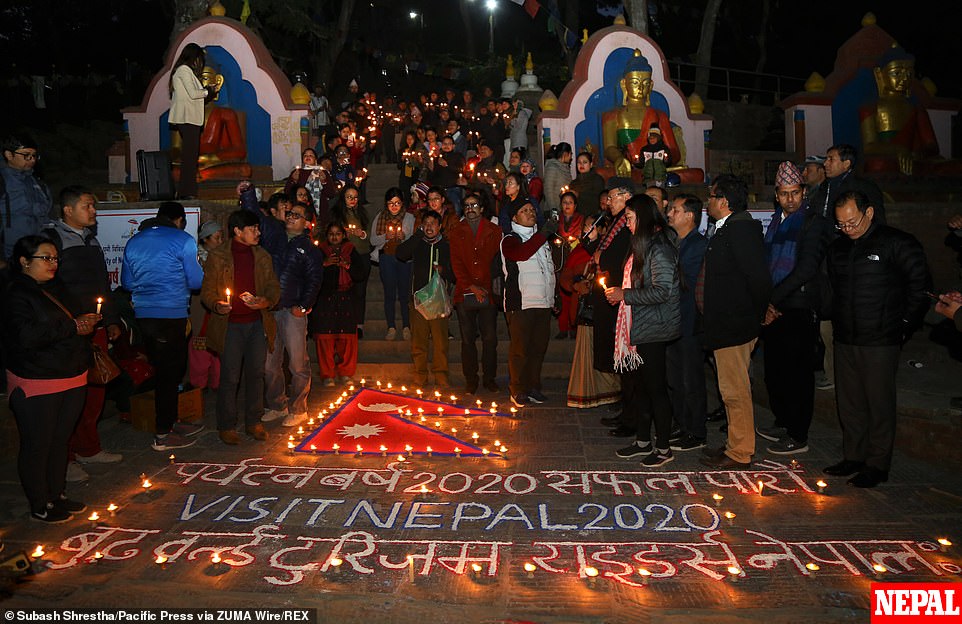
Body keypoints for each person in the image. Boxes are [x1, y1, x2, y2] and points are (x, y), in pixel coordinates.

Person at [823, 191, 930, 488]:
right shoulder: (838, 248)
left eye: (852, 222)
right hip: (846, 337)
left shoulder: (898, 242)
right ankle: (853, 456)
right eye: (841, 225)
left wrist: (904, 326)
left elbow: (919, 288)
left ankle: (877, 464)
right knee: (850, 403)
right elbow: (832, 290)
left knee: (879, 403)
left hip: (881, 339)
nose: (848, 229)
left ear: (869, 212)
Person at [2, 235, 98, 523]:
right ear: (24, 261)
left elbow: (71, 320)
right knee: (38, 443)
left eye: (56, 258)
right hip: (37, 378)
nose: (53, 263)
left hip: (71, 374)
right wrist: (72, 327)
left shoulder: (58, 287)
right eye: (46, 258)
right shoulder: (15, 293)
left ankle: (57, 494)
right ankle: (39, 502)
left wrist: (85, 321)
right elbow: (26, 336)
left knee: (60, 440)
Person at [42, 186, 123, 481]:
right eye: (88, 206)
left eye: (93, 206)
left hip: (96, 324)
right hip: (70, 328)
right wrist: (71, 320)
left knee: (95, 388)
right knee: (69, 396)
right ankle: (66, 459)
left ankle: (89, 448)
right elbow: (49, 288)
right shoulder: (51, 241)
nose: (93, 211)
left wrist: (111, 319)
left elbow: (102, 283)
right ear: (67, 210)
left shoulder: (91, 240)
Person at [755, 162, 832, 456]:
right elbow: (766, 262)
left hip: (798, 305)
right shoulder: (775, 222)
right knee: (775, 372)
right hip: (774, 305)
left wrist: (772, 300)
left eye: (795, 193)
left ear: (804, 192)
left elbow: (806, 269)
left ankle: (798, 434)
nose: (790, 199)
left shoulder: (813, 223)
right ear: (777, 195)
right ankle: (783, 421)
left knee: (798, 373)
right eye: (785, 194)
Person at [698, 174, 772, 470]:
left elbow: (759, 279)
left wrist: (754, 316)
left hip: (734, 324)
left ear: (724, 201)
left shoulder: (740, 231)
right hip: (725, 323)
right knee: (729, 389)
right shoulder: (727, 229)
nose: (708, 202)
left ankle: (741, 451)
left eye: (712, 197)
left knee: (735, 391)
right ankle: (734, 443)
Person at [120, 201, 205, 451]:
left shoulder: (134, 242)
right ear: (178, 220)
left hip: (145, 316)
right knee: (171, 372)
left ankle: (169, 420)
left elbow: (126, 282)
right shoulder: (183, 240)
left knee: (164, 371)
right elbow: (196, 280)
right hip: (171, 314)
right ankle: (162, 434)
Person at [605, 194, 680, 467]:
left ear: (643, 217)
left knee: (656, 389)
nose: (626, 224)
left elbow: (662, 291)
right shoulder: (643, 245)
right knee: (643, 388)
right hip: (640, 325)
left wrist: (624, 295)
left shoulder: (659, 248)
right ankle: (643, 440)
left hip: (655, 326)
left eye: (629, 218)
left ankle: (663, 448)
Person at [201, 210, 280, 445]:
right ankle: (226, 425)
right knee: (230, 377)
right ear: (237, 231)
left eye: (258, 228)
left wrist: (265, 301)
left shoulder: (262, 256)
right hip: (230, 326)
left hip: (256, 323)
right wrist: (217, 304)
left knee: (256, 374)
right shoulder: (218, 257)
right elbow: (207, 292)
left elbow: (274, 288)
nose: (258, 232)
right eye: (252, 228)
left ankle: (254, 422)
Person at [261, 201, 323, 428]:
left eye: (296, 215)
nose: (290, 217)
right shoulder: (276, 239)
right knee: (269, 364)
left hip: (292, 311)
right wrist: (247, 194)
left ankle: (298, 408)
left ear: (307, 223)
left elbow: (314, 281)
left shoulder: (309, 249)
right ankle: (277, 404)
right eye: (289, 213)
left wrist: (304, 306)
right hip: (271, 309)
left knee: (297, 364)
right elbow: (260, 220)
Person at [588, 179, 635, 435]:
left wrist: (601, 256)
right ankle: (625, 409)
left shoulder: (626, 225)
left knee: (626, 359)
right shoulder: (615, 222)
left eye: (613, 196)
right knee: (618, 358)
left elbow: (617, 256)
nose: (608, 201)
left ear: (626, 197)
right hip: (611, 295)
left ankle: (631, 415)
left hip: (622, 296)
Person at [664, 193, 709, 452]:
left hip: (690, 321)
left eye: (675, 210)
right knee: (675, 377)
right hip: (673, 321)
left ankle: (696, 430)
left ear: (690, 216)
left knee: (691, 379)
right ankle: (681, 423)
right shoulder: (675, 242)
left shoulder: (697, 245)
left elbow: (684, 282)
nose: (670, 213)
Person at [501, 202, 557, 407]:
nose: (530, 213)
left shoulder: (541, 239)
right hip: (521, 303)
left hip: (542, 302)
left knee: (537, 348)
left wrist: (553, 297)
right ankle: (517, 389)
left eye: (532, 210)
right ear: (515, 218)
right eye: (524, 211)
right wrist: (543, 235)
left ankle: (533, 387)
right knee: (520, 350)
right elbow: (521, 254)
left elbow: (548, 270)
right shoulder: (510, 239)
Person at [563, 215, 622, 408]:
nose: (588, 230)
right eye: (585, 227)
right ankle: (586, 392)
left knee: (603, 349)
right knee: (586, 352)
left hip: (603, 308)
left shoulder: (607, 252)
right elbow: (565, 276)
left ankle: (609, 393)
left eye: (593, 227)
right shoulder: (579, 251)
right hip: (585, 309)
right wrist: (576, 284)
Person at [449, 192, 502, 394]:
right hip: (465, 291)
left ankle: (489, 377)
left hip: (487, 290)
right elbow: (456, 263)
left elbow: (496, 263)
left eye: (474, 205)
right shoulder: (456, 231)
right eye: (467, 205)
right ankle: (471, 378)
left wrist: (485, 288)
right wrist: (470, 286)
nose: (470, 208)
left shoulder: (494, 230)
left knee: (490, 338)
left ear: (481, 207)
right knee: (467, 339)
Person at [601, 49, 679, 177]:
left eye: (646, 83)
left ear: (651, 86)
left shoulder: (659, 115)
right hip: (628, 167)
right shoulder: (612, 116)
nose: (641, 88)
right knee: (602, 174)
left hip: (656, 167)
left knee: (696, 174)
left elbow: (674, 151)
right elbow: (609, 148)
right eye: (635, 83)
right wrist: (620, 159)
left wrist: (664, 159)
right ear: (624, 84)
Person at [396, 210, 453, 387]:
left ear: (440, 226)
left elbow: (455, 273)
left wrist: (444, 271)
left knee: (440, 341)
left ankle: (441, 374)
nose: (429, 227)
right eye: (425, 223)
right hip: (418, 299)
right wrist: (417, 235)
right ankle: (420, 375)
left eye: (432, 223)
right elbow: (401, 254)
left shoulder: (446, 246)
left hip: (438, 300)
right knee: (418, 341)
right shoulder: (418, 243)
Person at [312, 222, 369, 386]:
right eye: (331, 234)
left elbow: (361, 273)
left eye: (338, 234)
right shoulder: (320, 252)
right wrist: (324, 264)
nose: (334, 237)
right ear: (327, 236)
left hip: (347, 298)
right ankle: (327, 374)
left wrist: (347, 265)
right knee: (325, 339)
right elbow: (312, 273)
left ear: (343, 235)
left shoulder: (351, 250)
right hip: (325, 300)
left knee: (347, 338)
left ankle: (345, 373)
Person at [370, 188, 415, 340]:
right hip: (387, 258)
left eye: (397, 203)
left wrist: (405, 236)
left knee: (404, 294)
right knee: (389, 293)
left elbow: (415, 240)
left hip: (404, 259)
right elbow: (372, 240)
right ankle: (391, 326)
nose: (394, 206)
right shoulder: (380, 217)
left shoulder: (409, 217)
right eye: (391, 203)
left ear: (402, 203)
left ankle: (407, 326)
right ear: (386, 204)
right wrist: (385, 236)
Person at [1, 133, 52, 258]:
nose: (32, 160)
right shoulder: (2, 179)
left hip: (38, 247)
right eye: (26, 155)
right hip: (10, 251)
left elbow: (47, 208)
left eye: (34, 156)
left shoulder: (35, 180)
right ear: (9, 155)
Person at [168, 43, 208, 199]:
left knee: (190, 156)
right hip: (187, 119)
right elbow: (193, 93)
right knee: (189, 158)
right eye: (199, 59)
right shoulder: (184, 70)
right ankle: (187, 192)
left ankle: (187, 191)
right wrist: (206, 91)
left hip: (190, 119)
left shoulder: (185, 71)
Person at [330, 185, 371, 338]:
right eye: (349, 197)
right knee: (344, 290)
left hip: (362, 255)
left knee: (360, 292)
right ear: (343, 198)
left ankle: (359, 325)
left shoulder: (362, 213)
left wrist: (362, 234)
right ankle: (344, 323)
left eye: (355, 197)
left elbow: (369, 236)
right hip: (344, 256)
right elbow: (331, 235)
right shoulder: (336, 214)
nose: (353, 200)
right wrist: (343, 234)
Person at [809, 144, 885, 224]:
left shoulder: (863, 187)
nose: (825, 164)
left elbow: (877, 219)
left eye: (831, 159)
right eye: (826, 159)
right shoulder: (825, 185)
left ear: (846, 164)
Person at [555, 191, 584, 339]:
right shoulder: (556, 220)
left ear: (575, 205)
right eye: (564, 202)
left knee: (573, 295)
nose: (567, 205)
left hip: (575, 260)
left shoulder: (581, 220)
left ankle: (573, 327)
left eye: (570, 202)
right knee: (561, 295)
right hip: (560, 260)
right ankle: (562, 327)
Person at [427, 135, 466, 216]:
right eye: (445, 144)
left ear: (453, 146)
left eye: (449, 144)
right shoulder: (437, 158)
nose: (446, 146)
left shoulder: (458, 156)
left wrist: (447, 165)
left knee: (456, 209)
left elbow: (461, 170)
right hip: (440, 190)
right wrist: (431, 169)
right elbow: (431, 178)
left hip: (453, 188)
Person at [570, 151, 605, 217]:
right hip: (576, 219)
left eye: (585, 162)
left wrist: (579, 195)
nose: (581, 165)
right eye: (579, 162)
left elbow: (598, 199)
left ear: (591, 164)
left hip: (592, 217)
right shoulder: (574, 183)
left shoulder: (597, 179)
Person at [542, 143, 573, 217]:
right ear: (566, 154)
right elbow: (548, 190)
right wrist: (554, 209)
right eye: (571, 154)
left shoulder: (566, 168)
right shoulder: (552, 167)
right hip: (553, 210)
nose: (571, 157)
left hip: (564, 208)